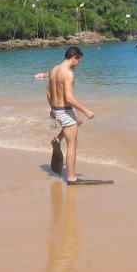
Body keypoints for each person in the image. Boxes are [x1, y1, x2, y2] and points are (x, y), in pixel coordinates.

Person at [47, 46, 95, 184]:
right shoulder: (68, 74)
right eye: (78, 61)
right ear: (74, 58)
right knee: (72, 144)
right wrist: (86, 111)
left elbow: (49, 94)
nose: (78, 64)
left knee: (79, 121)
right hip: (65, 110)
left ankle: (57, 139)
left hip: (57, 109)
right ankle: (71, 178)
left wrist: (52, 109)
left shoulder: (54, 70)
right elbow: (69, 98)